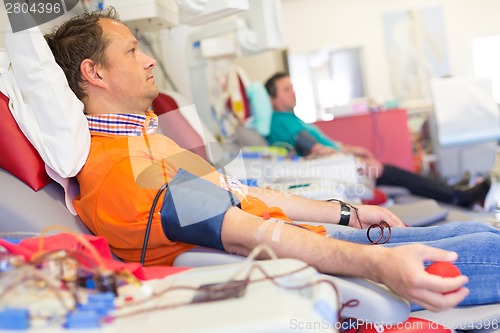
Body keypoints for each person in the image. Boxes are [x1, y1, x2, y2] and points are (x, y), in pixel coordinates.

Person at [44, 8, 499, 313]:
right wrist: (378, 266)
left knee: (481, 229)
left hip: (317, 241)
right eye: (131, 50)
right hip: (314, 266)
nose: (148, 60)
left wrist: (347, 211)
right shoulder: (127, 171)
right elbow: (248, 232)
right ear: (94, 73)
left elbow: (241, 194)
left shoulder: (147, 141)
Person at [264, 72, 491, 208]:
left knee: (400, 175)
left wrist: (355, 150)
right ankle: (457, 196)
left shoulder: (293, 118)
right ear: (273, 99)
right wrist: (357, 163)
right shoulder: (281, 122)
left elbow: (328, 145)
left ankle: (451, 191)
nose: (293, 93)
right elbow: (318, 151)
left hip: (345, 163)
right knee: (399, 175)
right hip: (339, 169)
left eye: (292, 88)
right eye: (286, 90)